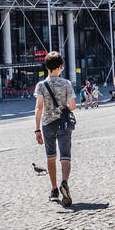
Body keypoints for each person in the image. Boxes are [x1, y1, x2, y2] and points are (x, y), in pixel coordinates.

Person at [33, 51, 77, 206]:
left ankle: (53, 189)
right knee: (65, 156)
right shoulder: (66, 83)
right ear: (60, 67)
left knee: (50, 157)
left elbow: (39, 108)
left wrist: (37, 129)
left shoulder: (41, 85)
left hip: (47, 124)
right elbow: (72, 106)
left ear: (47, 67)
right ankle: (64, 182)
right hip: (63, 123)